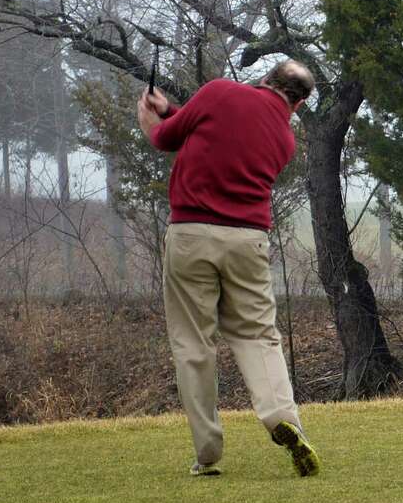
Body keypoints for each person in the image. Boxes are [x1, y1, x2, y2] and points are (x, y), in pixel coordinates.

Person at [136, 60, 321, 478]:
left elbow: (169, 139)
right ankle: (282, 419)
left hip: (190, 235)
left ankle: (207, 453)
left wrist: (151, 119)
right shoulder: (285, 138)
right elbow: (209, 128)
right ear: (300, 102)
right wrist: (171, 110)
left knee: (193, 344)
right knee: (258, 336)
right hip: (248, 241)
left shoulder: (220, 91)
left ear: (265, 77)